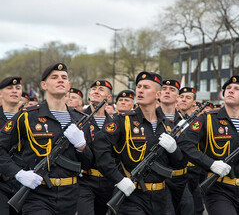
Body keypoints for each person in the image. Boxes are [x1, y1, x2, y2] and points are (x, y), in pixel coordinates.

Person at [0, 63, 93, 214]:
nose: (60, 80)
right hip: (37, 195)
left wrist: (81, 146)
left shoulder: (80, 120)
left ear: (69, 85)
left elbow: (89, 163)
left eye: (64, 78)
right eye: (54, 77)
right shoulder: (27, 116)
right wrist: (19, 173)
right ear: (44, 85)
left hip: (70, 195)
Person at [93, 71, 185, 215]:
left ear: (158, 95)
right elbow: (100, 148)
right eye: (139, 87)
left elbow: (180, 164)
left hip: (162, 197)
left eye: (146, 87)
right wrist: (119, 179)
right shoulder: (123, 121)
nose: (140, 90)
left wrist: (174, 150)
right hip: (132, 196)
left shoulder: (168, 125)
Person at [177, 75, 239, 215]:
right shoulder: (207, 119)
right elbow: (184, 143)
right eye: (228, 88)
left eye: (237, 89)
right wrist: (211, 163)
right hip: (218, 190)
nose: (231, 90)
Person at [77, 79, 115, 215]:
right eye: (93, 89)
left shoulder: (115, 124)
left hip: (108, 181)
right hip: (85, 180)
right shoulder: (78, 119)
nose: (96, 91)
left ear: (109, 98)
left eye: (101, 90)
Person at [158, 79, 194, 215]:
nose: (167, 91)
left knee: (188, 208)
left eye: (172, 89)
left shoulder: (184, 122)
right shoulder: (150, 118)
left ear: (178, 97)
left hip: (181, 178)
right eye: (165, 88)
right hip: (159, 178)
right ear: (158, 93)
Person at [177, 86, 205, 215]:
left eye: (188, 98)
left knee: (198, 208)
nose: (184, 100)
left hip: (196, 170)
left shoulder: (200, 121)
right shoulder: (170, 119)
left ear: (194, 102)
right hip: (178, 170)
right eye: (181, 97)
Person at [0, 76, 23, 215]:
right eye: (9, 88)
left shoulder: (28, 118)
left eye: (18, 88)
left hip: (22, 182)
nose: (14, 91)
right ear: (0, 93)